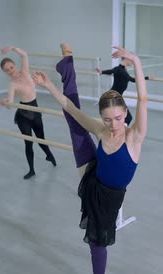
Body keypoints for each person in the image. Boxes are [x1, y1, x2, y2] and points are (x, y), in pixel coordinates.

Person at [33, 46, 147, 274]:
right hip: (90, 175)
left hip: (110, 195)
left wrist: (137, 62)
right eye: (107, 120)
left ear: (125, 113)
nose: (113, 124)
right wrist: (49, 85)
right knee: (75, 123)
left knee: (101, 236)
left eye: (118, 118)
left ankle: (67, 66)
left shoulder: (134, 136)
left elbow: (143, 100)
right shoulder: (101, 128)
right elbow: (72, 109)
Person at [0, 46, 56, 180]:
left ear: (14, 66)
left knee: (41, 140)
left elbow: (24, 55)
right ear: (4, 72)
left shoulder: (25, 72)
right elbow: (10, 103)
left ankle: (50, 155)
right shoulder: (12, 84)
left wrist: (12, 48)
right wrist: (5, 103)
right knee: (28, 143)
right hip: (23, 115)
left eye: (11, 67)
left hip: (35, 111)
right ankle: (31, 170)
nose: (10, 71)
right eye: (6, 70)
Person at [56, 43, 96, 176]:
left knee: (73, 111)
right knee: (74, 114)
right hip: (87, 155)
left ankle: (67, 60)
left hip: (85, 155)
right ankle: (67, 60)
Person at [95, 57, 153, 126]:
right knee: (127, 118)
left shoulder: (123, 70)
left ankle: (119, 131)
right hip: (114, 96)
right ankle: (119, 132)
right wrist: (102, 72)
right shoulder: (119, 69)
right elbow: (112, 71)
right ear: (126, 59)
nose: (132, 63)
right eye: (131, 60)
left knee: (125, 117)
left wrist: (147, 78)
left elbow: (133, 79)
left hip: (116, 96)